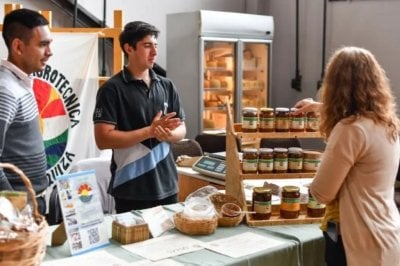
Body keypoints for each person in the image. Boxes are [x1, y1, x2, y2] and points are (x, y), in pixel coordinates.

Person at [294, 47, 400, 266]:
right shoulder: (388, 123)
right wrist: (320, 107)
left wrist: (312, 180)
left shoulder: (349, 129)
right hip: (387, 232)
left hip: (355, 239)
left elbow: (322, 193)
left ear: (334, 86)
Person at [93, 21, 186, 214]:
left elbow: (182, 129)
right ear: (129, 48)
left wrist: (167, 134)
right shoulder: (111, 89)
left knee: (171, 243)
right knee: (133, 244)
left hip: (168, 185)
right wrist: (150, 131)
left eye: (155, 45)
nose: (154, 52)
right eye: (147, 45)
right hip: (131, 188)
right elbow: (103, 139)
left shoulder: (167, 86)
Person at [0, 9, 53, 215]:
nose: (50, 52)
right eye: (43, 45)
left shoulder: (18, 83)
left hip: (32, 203)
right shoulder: (5, 90)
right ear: (18, 47)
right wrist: (17, 209)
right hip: (18, 212)